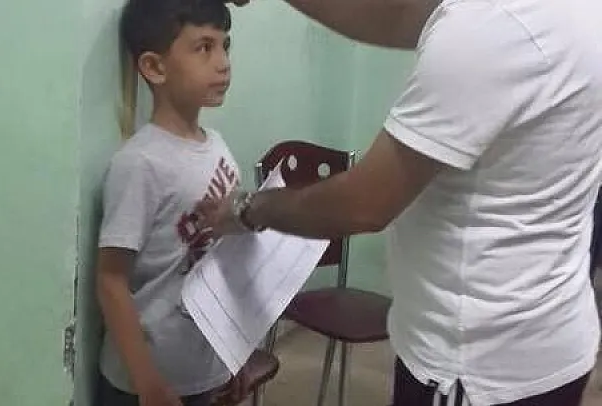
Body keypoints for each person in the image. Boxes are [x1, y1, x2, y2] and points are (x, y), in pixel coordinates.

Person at [200, 0, 602, 405]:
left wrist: (249, 208)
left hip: (476, 367)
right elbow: (401, 19)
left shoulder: (494, 26)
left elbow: (364, 205)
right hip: (549, 337)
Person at [95, 1, 249, 405]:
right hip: (144, 385)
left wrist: (233, 353)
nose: (223, 63)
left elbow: (224, 263)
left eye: (225, 46)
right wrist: (148, 382)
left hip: (204, 368)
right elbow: (110, 280)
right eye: (204, 47)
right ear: (155, 67)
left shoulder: (219, 148)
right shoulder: (140, 163)